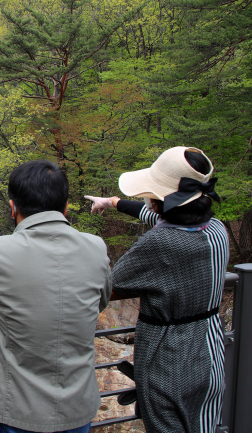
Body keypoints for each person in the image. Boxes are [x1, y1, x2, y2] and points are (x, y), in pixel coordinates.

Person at [0, 160, 112, 433]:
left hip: (15, 406)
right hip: (77, 403)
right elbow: (101, 301)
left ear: (13, 206)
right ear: (64, 207)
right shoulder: (96, 247)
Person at [85, 146, 228, 433]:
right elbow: (160, 218)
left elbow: (114, 282)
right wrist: (113, 202)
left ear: (163, 201)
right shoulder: (216, 229)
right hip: (211, 351)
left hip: (171, 361)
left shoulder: (161, 244)